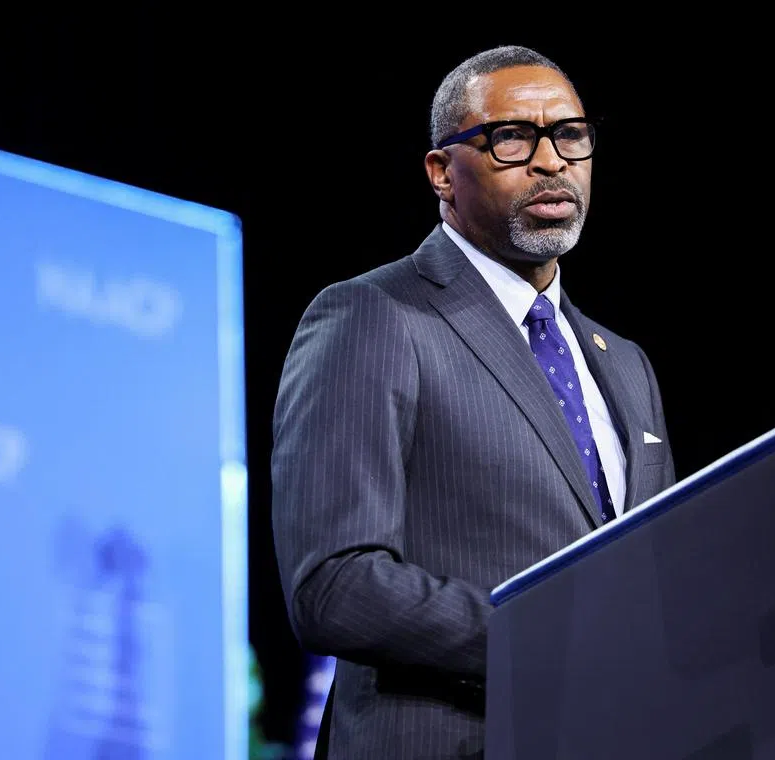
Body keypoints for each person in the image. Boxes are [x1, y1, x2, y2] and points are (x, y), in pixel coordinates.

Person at [269, 44, 678, 759]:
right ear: (441, 173)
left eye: (571, 135)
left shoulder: (629, 366)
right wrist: (547, 639)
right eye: (512, 137)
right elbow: (332, 586)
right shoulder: (374, 316)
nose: (551, 161)